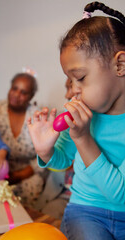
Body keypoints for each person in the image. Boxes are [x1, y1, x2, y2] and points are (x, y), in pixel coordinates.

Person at [27, 2, 125, 240]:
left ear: (120, 65)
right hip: (83, 211)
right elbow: (61, 159)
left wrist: (84, 138)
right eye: (70, 81)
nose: (74, 91)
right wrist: (45, 151)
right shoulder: (85, 113)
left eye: (80, 78)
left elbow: (121, 193)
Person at [0, 71, 47, 207]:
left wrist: (19, 175)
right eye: (14, 88)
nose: (16, 95)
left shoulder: (37, 116)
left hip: (27, 173)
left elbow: (45, 153)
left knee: (32, 188)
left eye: (23, 92)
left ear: (31, 96)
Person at [34, 78, 75, 219]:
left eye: (71, 87)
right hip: (60, 191)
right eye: (67, 88)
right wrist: (45, 151)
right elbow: (59, 162)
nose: (68, 95)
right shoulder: (66, 118)